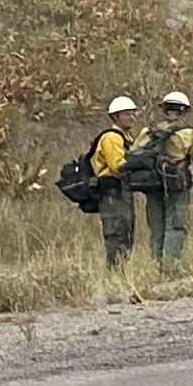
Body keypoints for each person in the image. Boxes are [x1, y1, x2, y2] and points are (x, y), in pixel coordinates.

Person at [136, 91, 193, 273]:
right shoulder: (188, 134)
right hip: (177, 185)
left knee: (157, 227)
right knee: (176, 225)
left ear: (164, 110)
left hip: (152, 186)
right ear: (183, 111)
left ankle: (156, 267)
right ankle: (171, 268)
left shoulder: (147, 132)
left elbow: (133, 155)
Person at [88, 96, 142, 268]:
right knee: (116, 233)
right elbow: (117, 167)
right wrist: (139, 163)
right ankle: (115, 272)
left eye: (133, 113)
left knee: (126, 232)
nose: (131, 117)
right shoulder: (111, 137)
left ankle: (122, 271)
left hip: (122, 191)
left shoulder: (126, 137)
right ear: (115, 117)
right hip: (112, 191)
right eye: (126, 114)